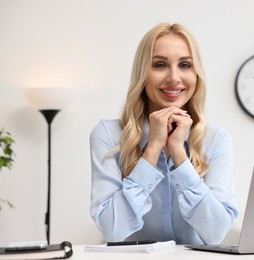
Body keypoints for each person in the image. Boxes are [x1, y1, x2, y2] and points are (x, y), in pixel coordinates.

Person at [89, 23, 238, 245]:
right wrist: (152, 150)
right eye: (160, 65)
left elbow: (216, 233)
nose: (174, 77)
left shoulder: (216, 140)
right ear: (143, 74)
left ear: (196, 74)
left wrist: (178, 154)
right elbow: (113, 230)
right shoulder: (108, 135)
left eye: (185, 65)